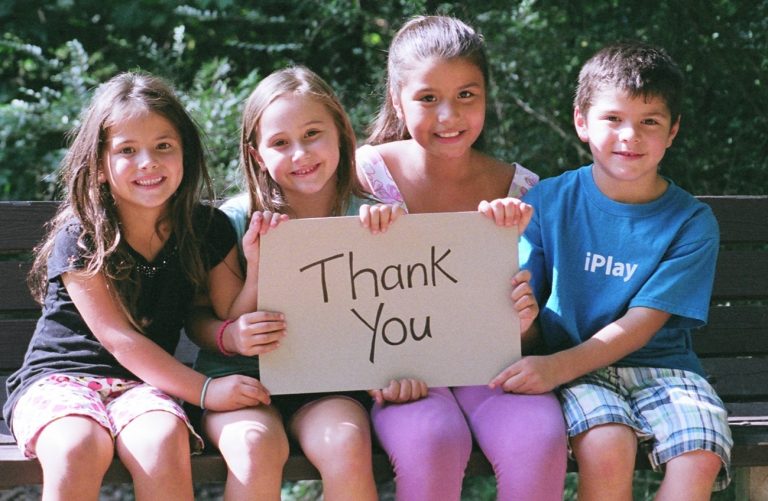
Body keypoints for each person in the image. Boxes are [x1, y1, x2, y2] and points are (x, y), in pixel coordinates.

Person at [2, 72, 265, 501]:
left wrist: (254, 269)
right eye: (127, 150)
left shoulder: (206, 229)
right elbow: (118, 339)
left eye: (164, 146)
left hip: (143, 388)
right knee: (77, 447)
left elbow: (229, 314)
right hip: (59, 380)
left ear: (185, 154)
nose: (148, 162)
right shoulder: (84, 234)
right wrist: (205, 390)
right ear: (99, 167)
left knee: (163, 441)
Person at [498, 41, 733, 500]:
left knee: (700, 455)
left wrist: (554, 368)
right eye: (613, 118)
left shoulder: (691, 222)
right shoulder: (547, 202)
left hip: (664, 370)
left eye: (650, 122)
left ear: (673, 131)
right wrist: (523, 326)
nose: (630, 136)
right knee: (607, 446)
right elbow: (526, 322)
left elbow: (641, 324)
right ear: (581, 121)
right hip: (578, 372)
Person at [356, 15, 567, 501]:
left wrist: (524, 322)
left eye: (466, 95)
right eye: (428, 98)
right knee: (433, 440)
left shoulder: (521, 190)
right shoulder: (363, 175)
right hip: (401, 376)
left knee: (539, 438)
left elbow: (535, 335)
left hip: (490, 371)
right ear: (397, 100)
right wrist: (372, 378)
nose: (449, 116)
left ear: (486, 97)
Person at [189, 66, 403, 500]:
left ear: (341, 133)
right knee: (253, 449)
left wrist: (389, 238)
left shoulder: (370, 219)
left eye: (312, 134)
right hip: (242, 384)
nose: (300, 154)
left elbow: (399, 315)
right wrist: (256, 273)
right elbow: (216, 318)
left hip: (329, 385)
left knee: (346, 443)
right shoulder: (231, 222)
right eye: (280, 143)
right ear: (256, 155)